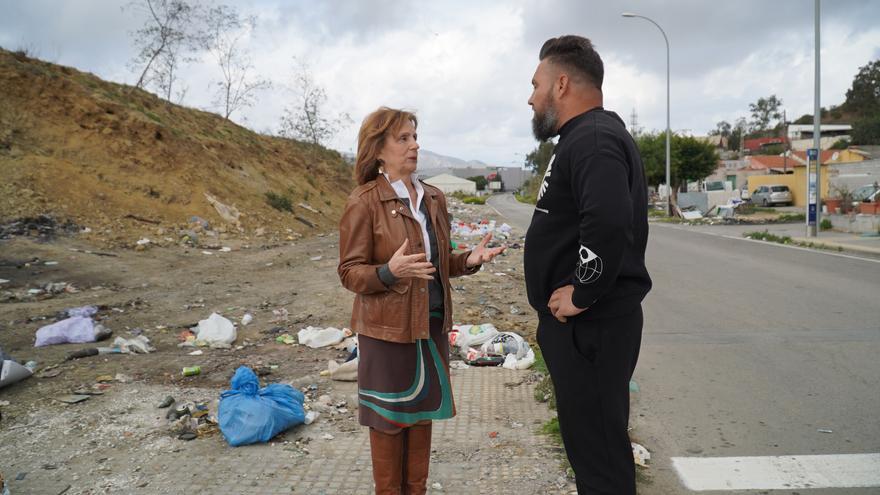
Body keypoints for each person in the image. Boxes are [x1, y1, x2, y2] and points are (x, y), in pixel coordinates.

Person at [338, 107, 505, 494]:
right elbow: (349, 272)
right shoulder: (364, 202)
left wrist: (468, 261)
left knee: (421, 415)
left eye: (415, 137)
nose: (414, 145)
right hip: (386, 332)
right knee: (388, 420)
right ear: (379, 149)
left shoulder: (432, 198)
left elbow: (437, 263)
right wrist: (388, 272)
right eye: (403, 138)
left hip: (429, 326)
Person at [523, 36, 653, 494]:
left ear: (561, 84)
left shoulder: (594, 140)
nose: (531, 97)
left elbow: (609, 222)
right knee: (591, 446)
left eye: (536, 84)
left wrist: (582, 291)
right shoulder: (582, 138)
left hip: (591, 328)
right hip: (583, 330)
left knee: (599, 457)